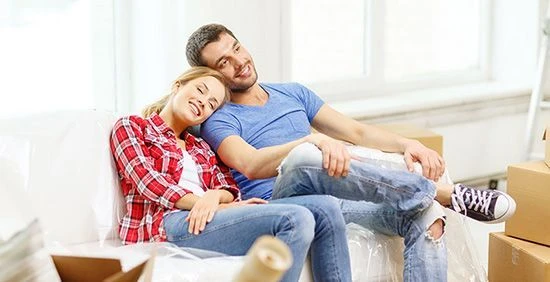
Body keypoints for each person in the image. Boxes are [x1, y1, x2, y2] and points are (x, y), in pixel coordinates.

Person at [185, 24, 517, 282]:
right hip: (286, 201)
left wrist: (408, 145)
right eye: (223, 63)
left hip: (337, 194)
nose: (239, 62)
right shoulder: (219, 118)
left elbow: (356, 131)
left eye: (237, 48)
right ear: (213, 74)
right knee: (304, 157)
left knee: (429, 217)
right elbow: (251, 164)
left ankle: (433, 200)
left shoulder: (292, 93)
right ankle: (444, 193)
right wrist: (310, 142)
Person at [109, 66, 352, 282]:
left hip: (206, 215)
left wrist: (215, 198)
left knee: (326, 207)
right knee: (294, 219)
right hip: (165, 224)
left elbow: (228, 187)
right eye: (200, 90)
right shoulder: (132, 127)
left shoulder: (200, 146)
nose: (203, 102)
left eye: (212, 103)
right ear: (178, 86)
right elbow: (149, 182)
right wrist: (207, 203)